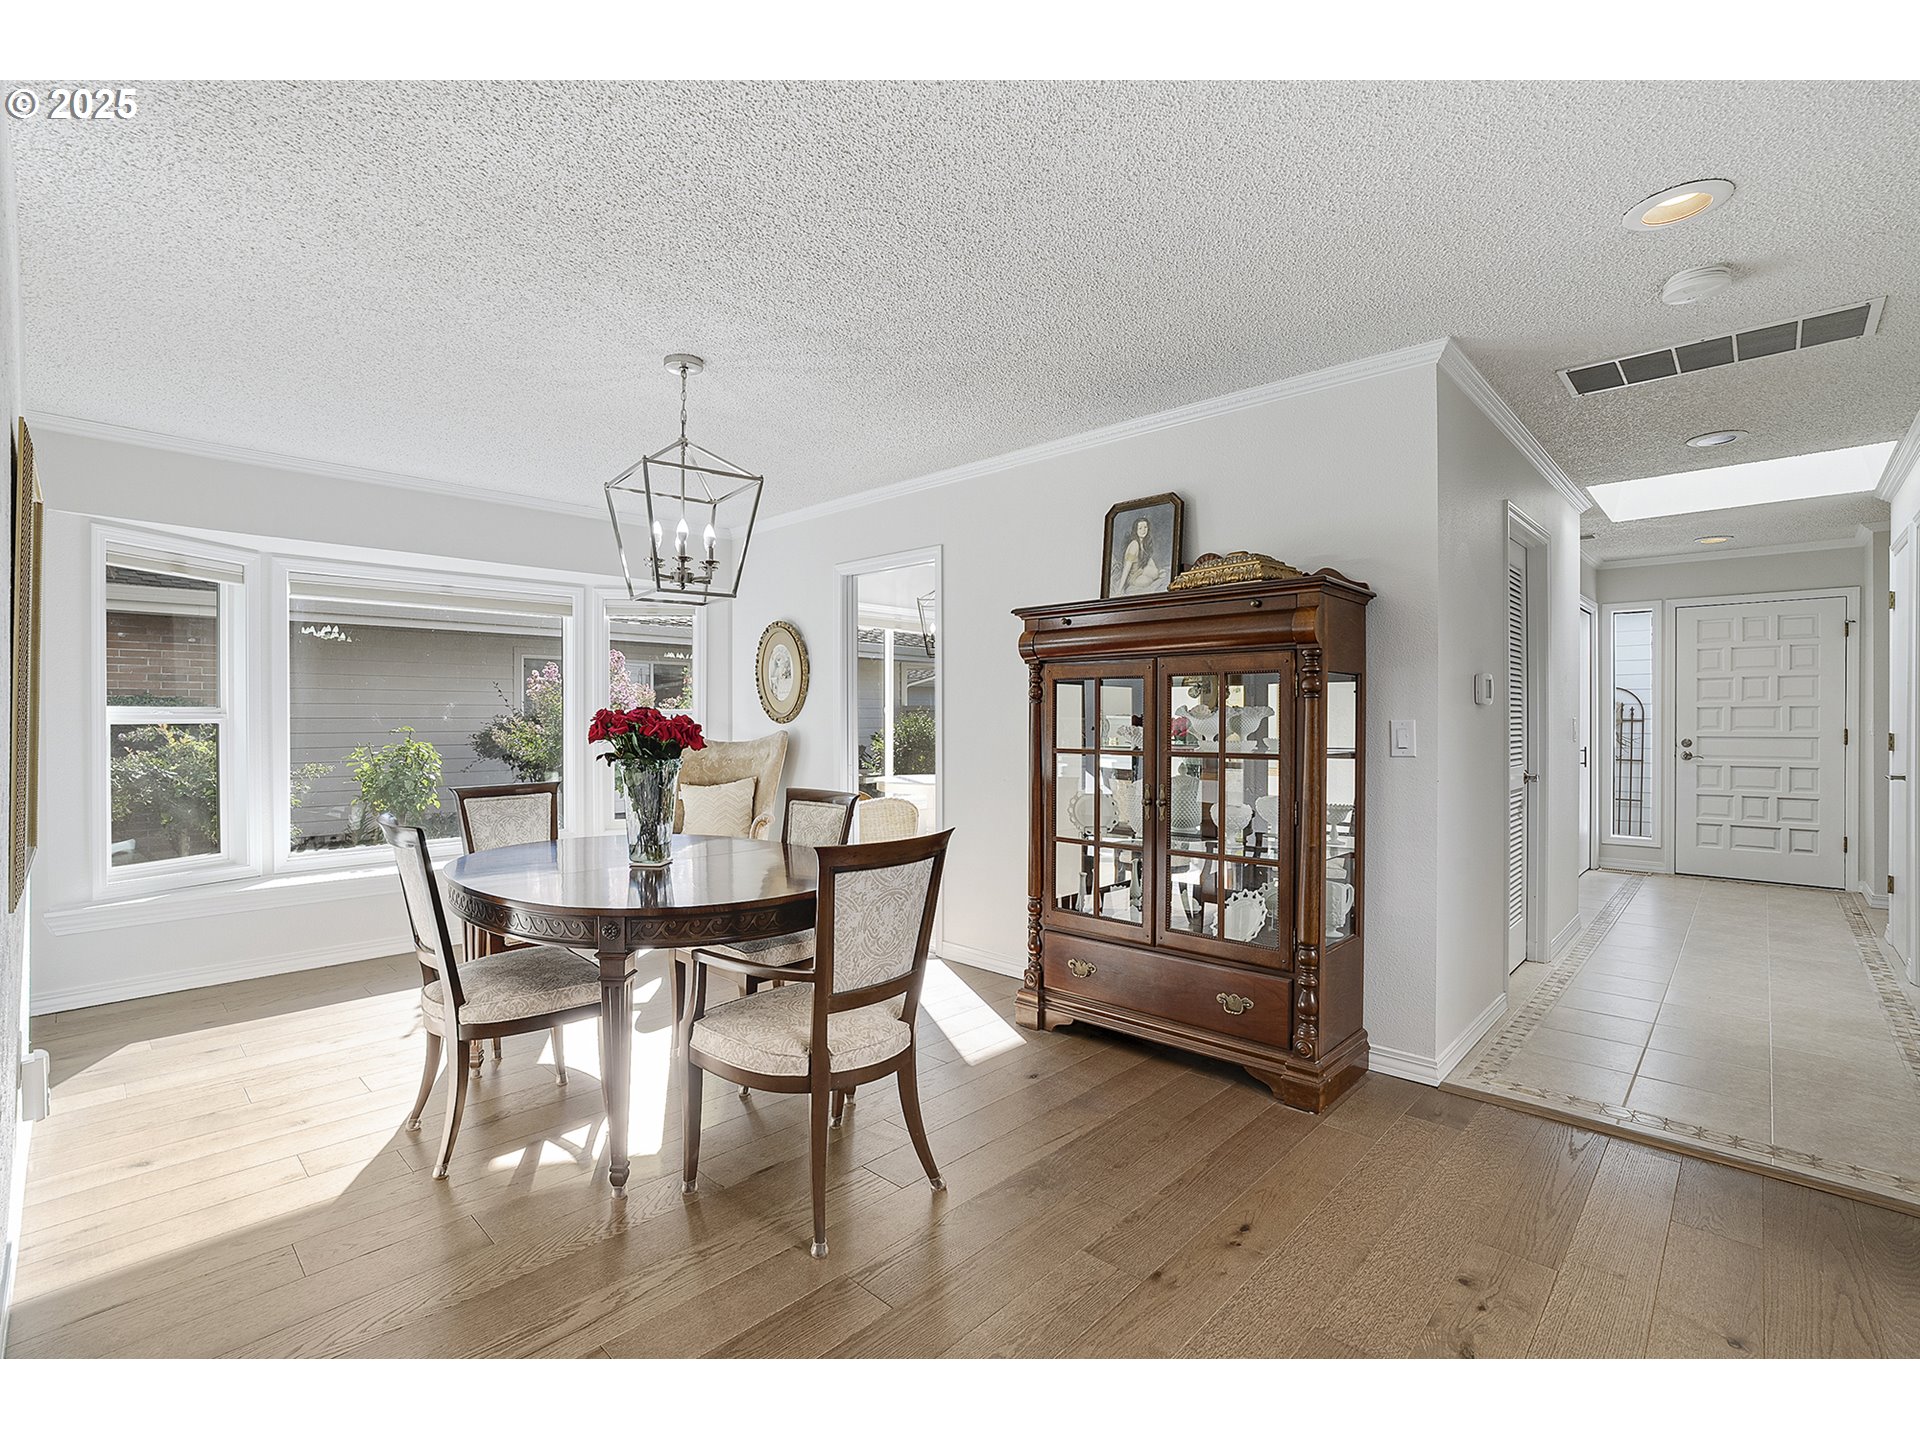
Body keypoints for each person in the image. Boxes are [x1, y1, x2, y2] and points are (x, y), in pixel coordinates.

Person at [1117, 514, 1163, 594]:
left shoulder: (1144, 542)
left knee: (1155, 573)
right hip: (1133, 576)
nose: (1143, 530)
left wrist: (1155, 571)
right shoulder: (1134, 544)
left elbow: (1148, 559)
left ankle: (1151, 574)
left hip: (1141, 570)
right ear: (1136, 530)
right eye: (1140, 528)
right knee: (1147, 581)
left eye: (1145, 527)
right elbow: (1126, 568)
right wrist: (1120, 589)